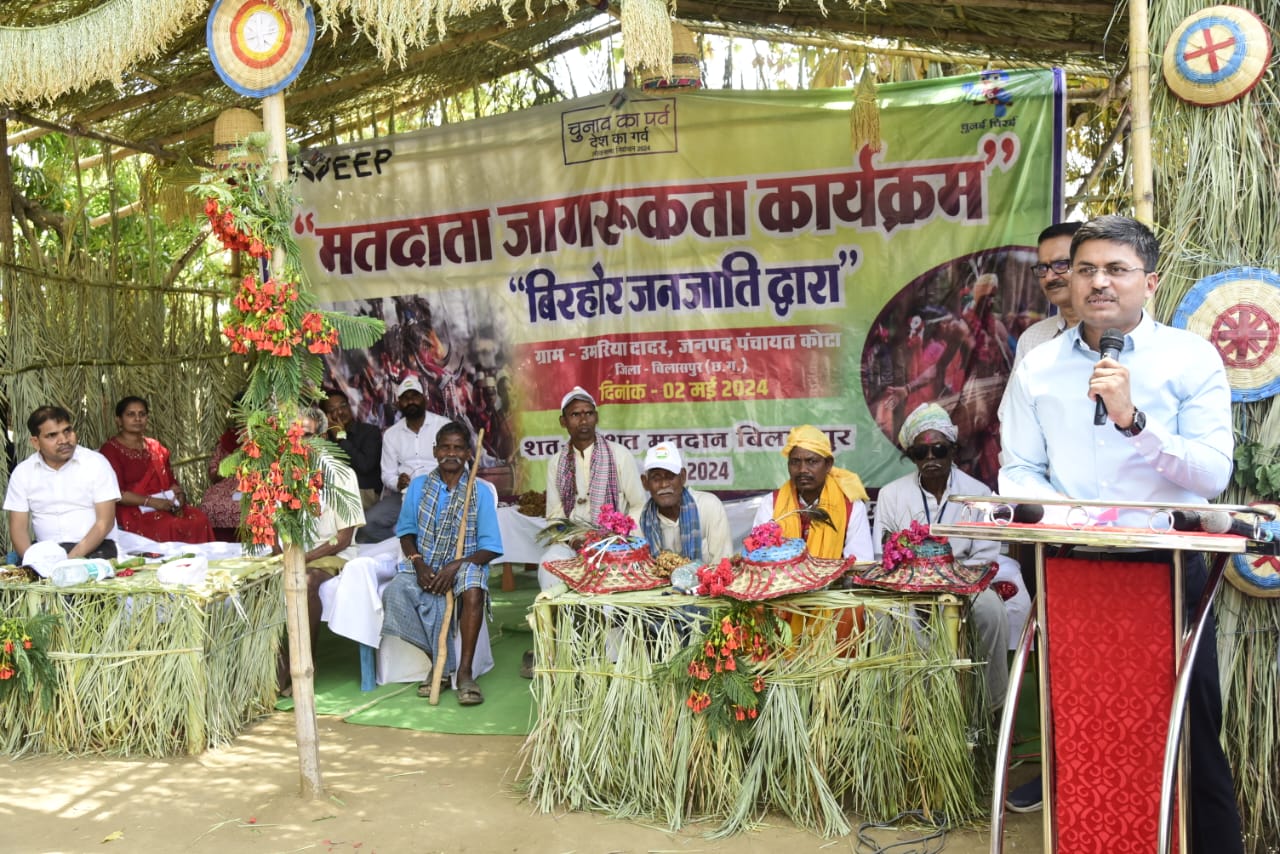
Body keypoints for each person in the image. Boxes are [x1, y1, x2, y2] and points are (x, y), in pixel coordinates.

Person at [999, 215, 1243, 851]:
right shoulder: (1039, 365)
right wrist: (1079, 518)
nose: (1098, 283)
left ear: (1150, 281)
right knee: (1086, 729)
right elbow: (1018, 469)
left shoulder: (1190, 357)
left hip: (1171, 568)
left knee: (1189, 727)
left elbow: (1212, 474)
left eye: (1115, 270)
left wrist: (1134, 422)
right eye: (1085, 270)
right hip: (1075, 567)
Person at [872, 403, 1011, 713]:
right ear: (911, 456)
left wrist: (949, 584)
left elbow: (985, 558)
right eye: (922, 453)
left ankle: (988, 711)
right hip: (907, 587)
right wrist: (918, 585)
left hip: (966, 584)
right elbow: (883, 557)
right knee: (885, 616)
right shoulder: (891, 495)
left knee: (992, 612)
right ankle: (904, 710)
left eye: (939, 449)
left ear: (953, 450)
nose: (931, 459)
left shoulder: (979, 493)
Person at [380, 421, 502, 706]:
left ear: (468, 453)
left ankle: (465, 672)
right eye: (445, 447)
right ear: (434, 451)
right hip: (424, 562)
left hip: (466, 562)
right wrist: (419, 564)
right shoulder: (419, 486)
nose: (451, 453)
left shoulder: (479, 490)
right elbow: (406, 533)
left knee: (473, 587)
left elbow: (491, 548)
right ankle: (439, 664)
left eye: (458, 447)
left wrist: (454, 566)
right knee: (396, 591)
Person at [277, 408, 366, 695]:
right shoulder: (284, 473)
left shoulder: (341, 474)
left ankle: (304, 662)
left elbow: (342, 538)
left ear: (323, 437)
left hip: (331, 554)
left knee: (306, 580)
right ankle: (273, 668)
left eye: (307, 435)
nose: (300, 442)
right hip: (291, 553)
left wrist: (302, 559)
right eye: (295, 435)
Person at [538, 385, 645, 589]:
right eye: (575, 414)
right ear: (563, 421)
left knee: (607, 593)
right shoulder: (556, 462)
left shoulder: (619, 455)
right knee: (548, 566)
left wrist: (620, 538)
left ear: (596, 417)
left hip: (615, 544)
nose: (583, 420)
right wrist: (573, 541)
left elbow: (639, 505)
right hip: (572, 544)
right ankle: (558, 621)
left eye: (588, 413)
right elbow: (554, 516)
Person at [4, 405, 120, 561]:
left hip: (96, 549)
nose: (64, 440)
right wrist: (31, 562)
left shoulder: (95, 463)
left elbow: (105, 522)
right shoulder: (23, 473)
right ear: (35, 442)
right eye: (52, 435)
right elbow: (18, 528)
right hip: (46, 552)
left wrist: (68, 561)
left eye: (67, 431)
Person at [99, 396, 215, 544]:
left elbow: (172, 482)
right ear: (118, 420)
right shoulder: (110, 450)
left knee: (200, 519)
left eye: (142, 414)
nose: (137, 418)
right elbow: (117, 494)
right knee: (170, 525)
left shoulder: (155, 447)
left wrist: (179, 497)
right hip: (133, 509)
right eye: (131, 414)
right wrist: (152, 502)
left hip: (165, 503)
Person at [751, 425, 874, 561]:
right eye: (795, 462)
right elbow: (758, 558)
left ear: (828, 464)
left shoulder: (850, 506)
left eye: (812, 461)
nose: (803, 469)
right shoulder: (771, 503)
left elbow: (861, 563)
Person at [358, 375, 452, 543]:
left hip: (441, 493)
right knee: (367, 525)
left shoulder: (444, 426)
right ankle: (405, 549)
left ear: (424, 399)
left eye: (415, 396)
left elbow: (461, 465)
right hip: (405, 496)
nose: (411, 402)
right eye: (406, 398)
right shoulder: (391, 434)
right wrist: (397, 483)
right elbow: (387, 475)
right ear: (398, 403)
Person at [630, 442, 732, 564]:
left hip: (706, 582)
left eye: (670, 476)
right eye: (656, 478)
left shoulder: (709, 507)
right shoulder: (637, 520)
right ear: (645, 482)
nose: (664, 484)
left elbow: (723, 565)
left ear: (683, 477)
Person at [1009, 222, 1083, 372]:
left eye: (1061, 264)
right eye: (1043, 268)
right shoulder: (1032, 339)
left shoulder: (1121, 337)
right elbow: (1015, 396)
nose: (1049, 277)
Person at [321, 389, 383, 511]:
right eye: (332, 410)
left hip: (364, 492)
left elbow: (365, 465)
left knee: (336, 506)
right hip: (334, 493)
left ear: (349, 406)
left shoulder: (369, 432)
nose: (339, 412)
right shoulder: (325, 438)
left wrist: (341, 439)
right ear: (326, 416)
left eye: (343, 406)